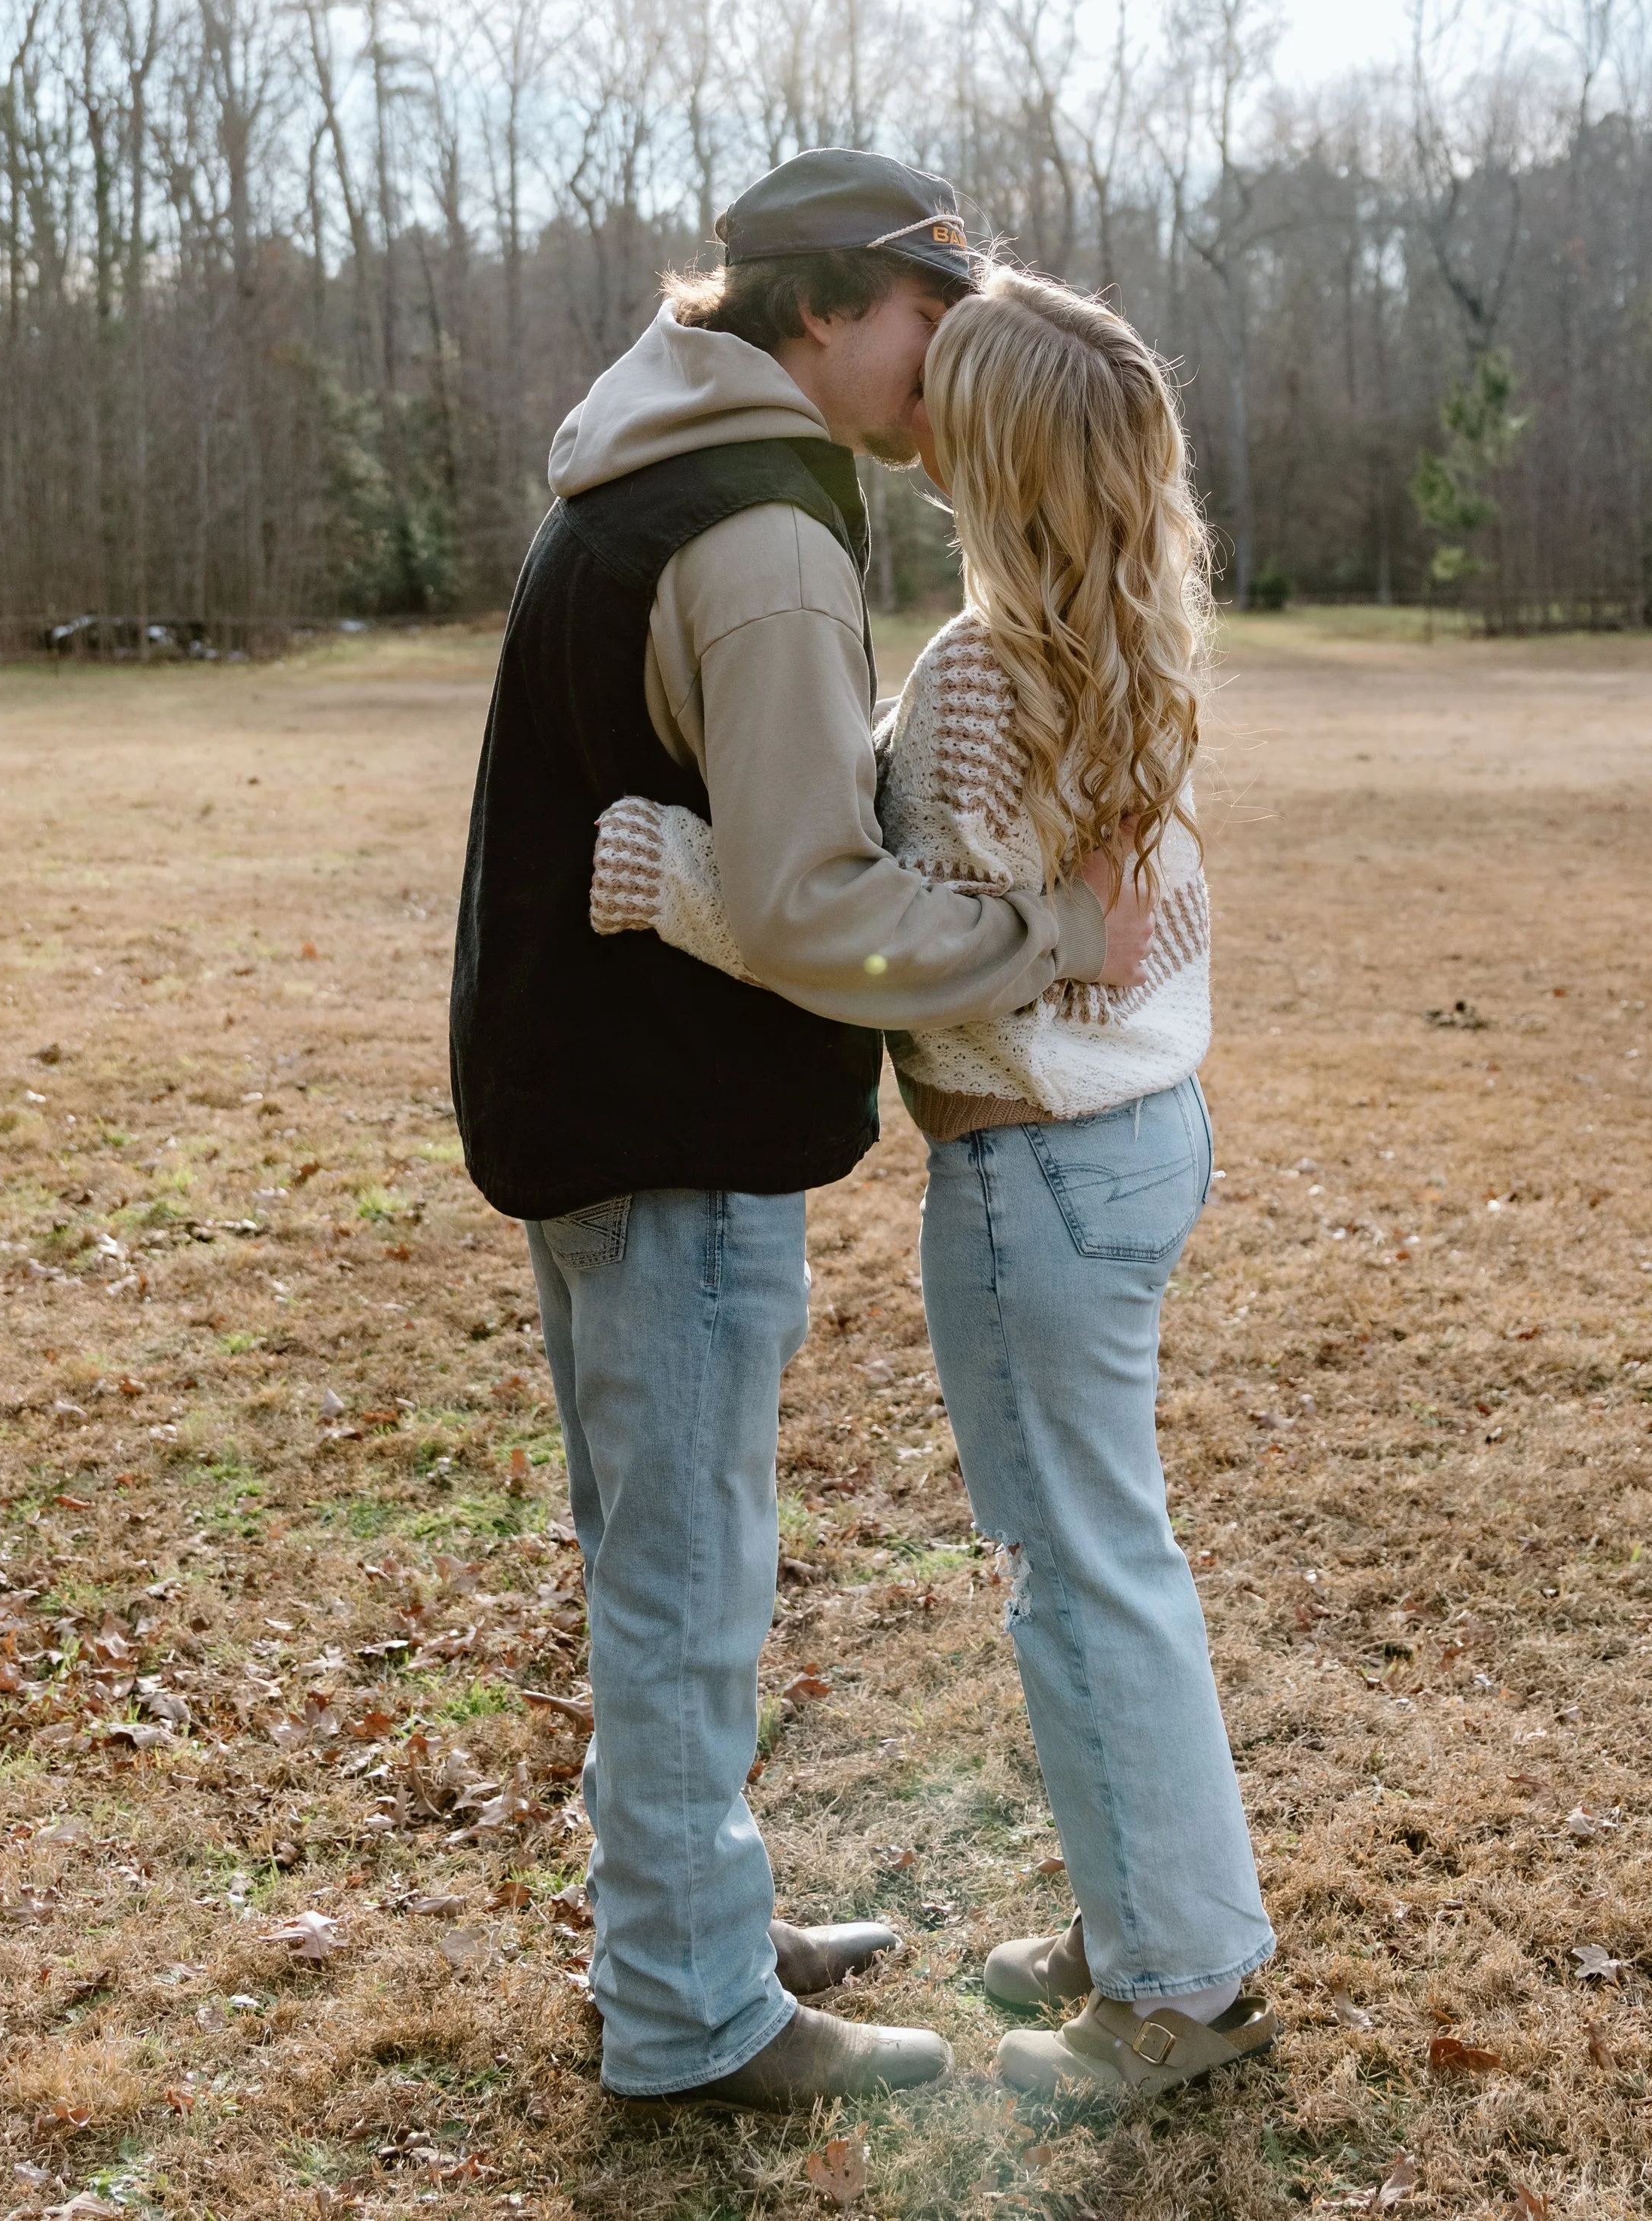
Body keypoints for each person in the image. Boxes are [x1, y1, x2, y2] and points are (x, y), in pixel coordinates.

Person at [449, 156, 1152, 2110]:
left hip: (589, 1090)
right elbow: (812, 899)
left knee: (653, 1553)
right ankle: (687, 2010)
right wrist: (1041, 932)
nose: (952, 360)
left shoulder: (650, 444)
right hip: (661, 1115)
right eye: (933, 315)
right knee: (686, 1575)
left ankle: (687, 1915)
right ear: (832, 306)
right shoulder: (763, 530)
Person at [590, 267, 1279, 2102]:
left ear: (983, 458)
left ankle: (1178, 1986)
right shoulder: (1127, 633)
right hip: (1141, 1142)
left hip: (1034, 1173)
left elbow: (885, 936)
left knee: (1079, 1571)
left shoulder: (979, 673)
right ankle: (1146, 1901)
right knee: (1109, 1552)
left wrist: (681, 881)